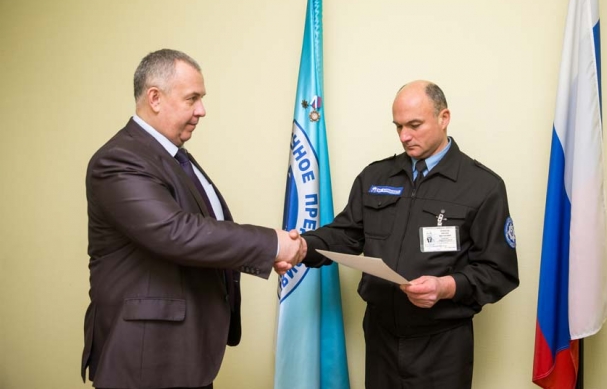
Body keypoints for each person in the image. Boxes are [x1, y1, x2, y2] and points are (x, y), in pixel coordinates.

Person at [80, 49, 305, 389]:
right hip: (144, 359)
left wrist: (267, 251)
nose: (202, 110)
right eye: (192, 98)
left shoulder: (173, 157)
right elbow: (177, 233)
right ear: (155, 98)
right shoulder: (119, 160)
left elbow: (207, 233)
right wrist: (272, 244)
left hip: (182, 355)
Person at [301, 80, 519, 388]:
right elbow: (345, 235)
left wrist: (446, 286)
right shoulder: (376, 176)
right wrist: (302, 247)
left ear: (444, 118)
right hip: (381, 337)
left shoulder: (482, 186)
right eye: (398, 126)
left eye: (415, 125)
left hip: (442, 344)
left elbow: (499, 271)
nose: (404, 136)